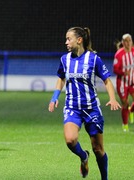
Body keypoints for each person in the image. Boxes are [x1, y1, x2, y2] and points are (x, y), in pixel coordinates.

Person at [48, 27, 121, 179]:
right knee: (70, 140)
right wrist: (54, 97)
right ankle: (83, 157)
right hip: (72, 107)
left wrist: (112, 98)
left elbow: (107, 80)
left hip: (91, 109)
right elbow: (61, 78)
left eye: (69, 39)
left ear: (79, 40)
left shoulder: (94, 59)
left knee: (98, 149)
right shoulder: (65, 59)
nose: (66, 42)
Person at [113, 33, 134, 132]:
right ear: (123, 42)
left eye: (129, 40)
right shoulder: (119, 54)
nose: (128, 43)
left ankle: (131, 111)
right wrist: (123, 72)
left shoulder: (133, 52)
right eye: (126, 41)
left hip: (132, 81)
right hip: (122, 83)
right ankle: (125, 125)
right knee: (125, 104)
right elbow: (115, 70)